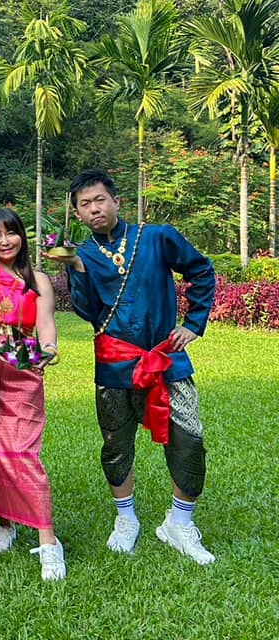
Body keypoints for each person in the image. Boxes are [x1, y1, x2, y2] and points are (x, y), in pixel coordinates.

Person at [50, 168, 216, 565]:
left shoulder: (157, 237)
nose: (94, 209)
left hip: (166, 358)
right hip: (114, 362)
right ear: (77, 213)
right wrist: (76, 270)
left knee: (189, 438)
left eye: (99, 200)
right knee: (116, 443)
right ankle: (126, 519)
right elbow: (89, 312)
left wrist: (193, 324)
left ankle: (179, 522)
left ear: (117, 201)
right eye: (85, 205)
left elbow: (201, 270)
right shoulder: (83, 255)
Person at [0, 208, 65, 581]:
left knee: (23, 454)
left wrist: (48, 351)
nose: (4, 241)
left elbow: (46, 325)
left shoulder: (38, 280)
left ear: (22, 236)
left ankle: (48, 540)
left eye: (11, 233)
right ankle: (5, 524)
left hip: (24, 372)